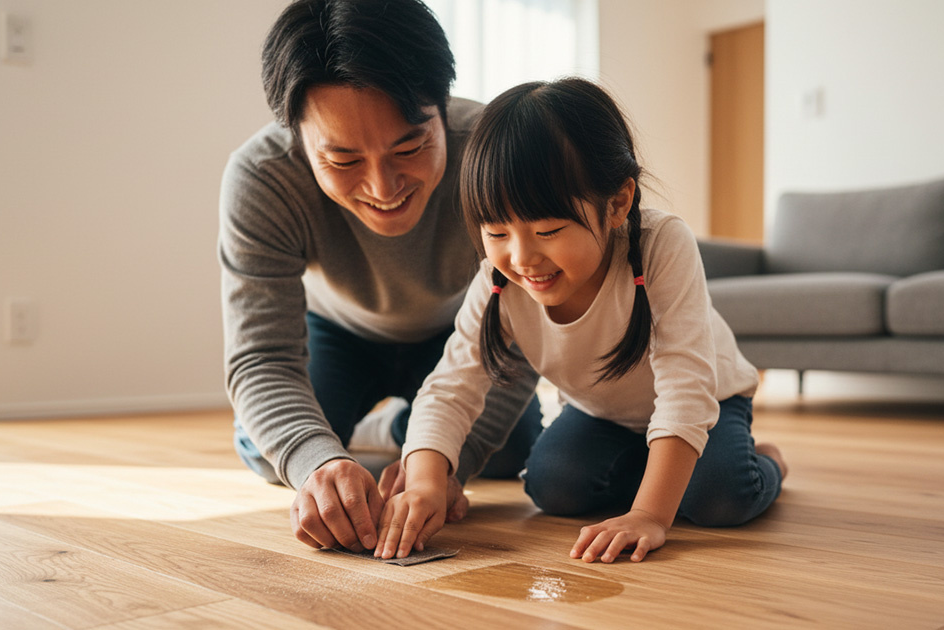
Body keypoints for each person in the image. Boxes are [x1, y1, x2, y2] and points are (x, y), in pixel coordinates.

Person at [375, 78, 787, 564]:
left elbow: (686, 388)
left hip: (710, 402)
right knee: (554, 488)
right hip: (604, 414)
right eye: (497, 232)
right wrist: (425, 483)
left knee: (720, 498)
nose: (522, 258)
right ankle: (659, 469)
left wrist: (650, 515)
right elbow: (449, 388)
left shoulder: (661, 245)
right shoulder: (498, 282)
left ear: (617, 203)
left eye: (548, 230)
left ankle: (767, 460)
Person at [218, 0, 543, 553]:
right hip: (337, 333)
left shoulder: (494, 154)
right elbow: (262, 358)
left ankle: (402, 428)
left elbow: (524, 335)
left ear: (443, 108)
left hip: (464, 337)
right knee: (270, 453)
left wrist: (448, 461)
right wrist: (318, 463)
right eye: (343, 161)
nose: (383, 188)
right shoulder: (263, 177)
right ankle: (392, 428)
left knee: (511, 449)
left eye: (410, 146)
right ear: (297, 136)